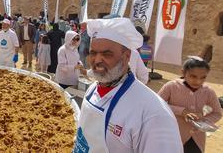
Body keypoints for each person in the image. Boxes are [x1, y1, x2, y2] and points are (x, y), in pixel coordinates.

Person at [73, 18, 183, 153]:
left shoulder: (154, 114)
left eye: (107, 54)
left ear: (126, 56)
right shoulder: (92, 90)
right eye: (93, 53)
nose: (97, 60)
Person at [158, 56, 222, 153]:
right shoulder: (171, 86)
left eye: (203, 77)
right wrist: (182, 111)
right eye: (193, 76)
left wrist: (203, 120)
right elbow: (157, 106)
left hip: (196, 138)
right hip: (172, 135)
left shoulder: (208, 91)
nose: (198, 81)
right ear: (183, 72)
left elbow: (217, 113)